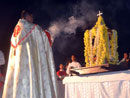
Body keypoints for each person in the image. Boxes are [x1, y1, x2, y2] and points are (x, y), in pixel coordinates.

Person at [2, 10, 59, 98]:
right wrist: (49, 35)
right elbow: (43, 39)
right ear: (28, 17)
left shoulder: (15, 33)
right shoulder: (34, 28)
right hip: (30, 64)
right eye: (31, 17)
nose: (32, 19)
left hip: (18, 67)